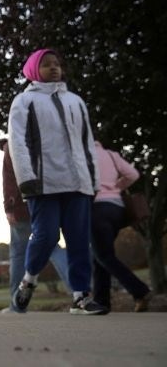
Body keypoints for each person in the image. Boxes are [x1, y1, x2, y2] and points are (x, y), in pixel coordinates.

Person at [8, 48, 106, 315]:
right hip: (43, 183)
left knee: (78, 240)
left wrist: (93, 179)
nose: (54, 68)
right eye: (46, 64)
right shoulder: (24, 101)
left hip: (78, 183)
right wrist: (26, 178)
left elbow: (86, 143)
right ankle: (28, 280)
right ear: (32, 70)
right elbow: (17, 142)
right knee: (46, 236)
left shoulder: (76, 101)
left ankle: (81, 296)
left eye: (57, 64)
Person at [1, 140, 71, 313]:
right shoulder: (48, 140)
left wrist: (9, 207)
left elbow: (9, 179)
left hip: (22, 207)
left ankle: (16, 304)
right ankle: (79, 290)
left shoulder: (12, 145)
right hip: (47, 202)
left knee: (18, 255)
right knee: (53, 247)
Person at [91, 140, 152, 313]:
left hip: (97, 208)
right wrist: (116, 187)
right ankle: (102, 302)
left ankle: (140, 291)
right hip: (117, 209)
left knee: (103, 255)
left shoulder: (83, 155)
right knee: (100, 256)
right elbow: (133, 174)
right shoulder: (111, 155)